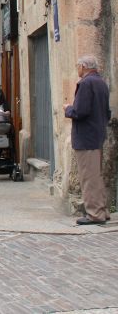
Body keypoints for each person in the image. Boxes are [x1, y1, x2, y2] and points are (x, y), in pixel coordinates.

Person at [64, 55, 112, 225]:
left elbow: (80, 111)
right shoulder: (101, 82)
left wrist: (68, 109)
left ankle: (94, 213)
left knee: (89, 177)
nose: (77, 69)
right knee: (95, 176)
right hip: (97, 134)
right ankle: (102, 210)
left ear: (83, 66)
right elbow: (107, 112)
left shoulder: (85, 83)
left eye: (78, 66)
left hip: (86, 136)